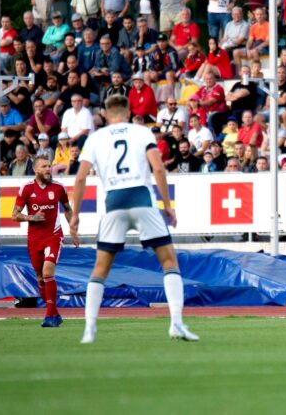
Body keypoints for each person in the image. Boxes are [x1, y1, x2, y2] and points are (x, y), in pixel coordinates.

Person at [70, 95, 197, 343]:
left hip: (114, 203)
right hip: (142, 200)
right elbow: (158, 168)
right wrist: (167, 206)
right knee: (169, 261)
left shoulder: (95, 138)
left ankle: (89, 328)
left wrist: (75, 215)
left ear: (105, 115)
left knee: (100, 268)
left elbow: (81, 178)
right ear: (128, 113)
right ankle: (176, 323)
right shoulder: (141, 132)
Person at [11, 156, 78, 327]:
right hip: (34, 239)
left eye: (49, 166)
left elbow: (67, 209)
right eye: (44, 166)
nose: (48, 169)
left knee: (48, 272)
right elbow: (14, 215)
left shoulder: (58, 188)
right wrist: (31, 217)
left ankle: (49, 316)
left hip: (54, 236)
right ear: (35, 170)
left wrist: (73, 229)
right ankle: (54, 313)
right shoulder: (26, 188)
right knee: (40, 278)